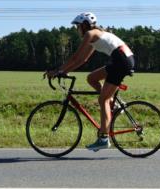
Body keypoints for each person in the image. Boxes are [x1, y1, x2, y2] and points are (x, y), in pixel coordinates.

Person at [46, 12, 135, 151]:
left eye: (78, 26)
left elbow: (75, 57)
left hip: (121, 62)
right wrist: (65, 71)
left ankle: (104, 139)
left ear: (84, 25)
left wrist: (58, 71)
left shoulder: (90, 34)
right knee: (91, 78)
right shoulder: (95, 35)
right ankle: (114, 104)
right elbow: (82, 59)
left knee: (103, 99)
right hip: (122, 60)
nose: (77, 29)